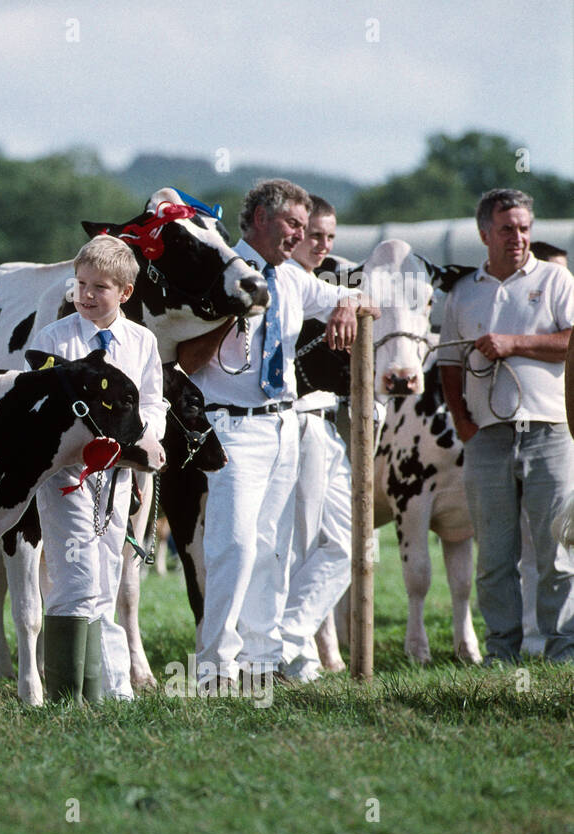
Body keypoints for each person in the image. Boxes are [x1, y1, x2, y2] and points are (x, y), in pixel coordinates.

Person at [177, 179, 368, 690]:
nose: (300, 237)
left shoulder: (293, 279)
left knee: (273, 547)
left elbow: (353, 295)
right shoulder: (217, 271)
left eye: (306, 228)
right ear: (261, 218)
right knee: (233, 545)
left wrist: (347, 305)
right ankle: (215, 666)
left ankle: (263, 663)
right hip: (230, 425)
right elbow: (186, 360)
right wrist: (237, 312)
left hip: (285, 423)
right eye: (292, 225)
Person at [440, 189, 574, 663]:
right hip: (488, 437)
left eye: (523, 228)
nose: (517, 237)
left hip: (548, 431)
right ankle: (503, 655)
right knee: (495, 558)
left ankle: (562, 654)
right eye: (506, 229)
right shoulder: (463, 292)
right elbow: (449, 364)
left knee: (556, 551)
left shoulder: (557, 280)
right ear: (484, 234)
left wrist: (512, 343)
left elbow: (570, 341)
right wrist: (462, 421)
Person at [31, 235, 166, 704]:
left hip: (121, 474)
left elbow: (151, 401)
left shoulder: (142, 342)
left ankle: (114, 687)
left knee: (109, 571)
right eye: (81, 284)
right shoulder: (54, 339)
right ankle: (68, 695)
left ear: (125, 293)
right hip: (66, 476)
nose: (85, 295)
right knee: (75, 573)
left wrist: (145, 436)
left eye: (99, 287)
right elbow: (38, 403)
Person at [280, 195, 352, 681]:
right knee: (296, 544)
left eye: (330, 237)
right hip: (289, 423)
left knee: (347, 544)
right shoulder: (276, 286)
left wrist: (346, 300)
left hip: (328, 424)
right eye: (314, 236)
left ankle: (284, 641)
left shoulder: (332, 288)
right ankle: (297, 655)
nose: (323, 245)